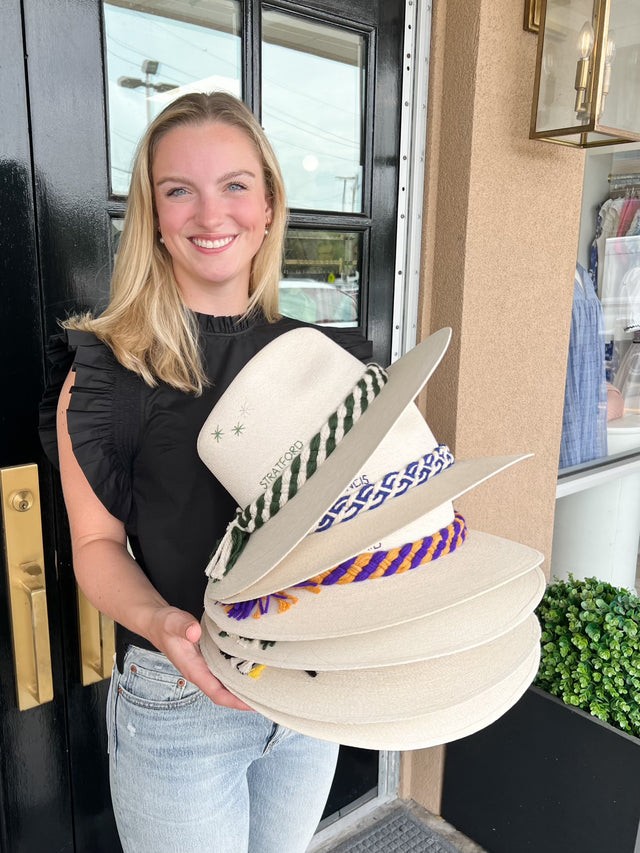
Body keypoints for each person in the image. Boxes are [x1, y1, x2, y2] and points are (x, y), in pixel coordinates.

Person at [39, 92, 368, 853]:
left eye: (235, 185)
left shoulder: (315, 357)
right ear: (153, 214)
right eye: (178, 189)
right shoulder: (106, 373)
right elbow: (94, 548)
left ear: (269, 202)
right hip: (180, 698)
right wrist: (161, 623)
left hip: (307, 693)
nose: (209, 213)